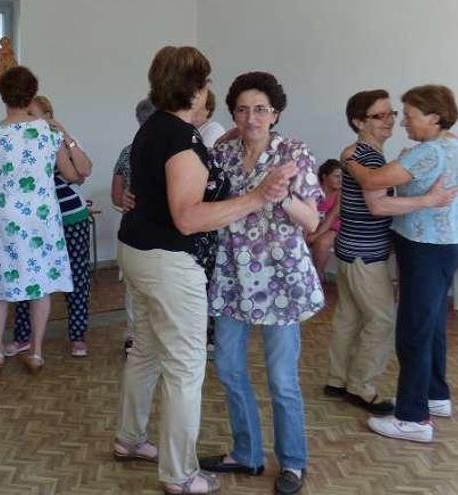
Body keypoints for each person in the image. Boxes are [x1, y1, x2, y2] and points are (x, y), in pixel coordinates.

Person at [114, 48, 294, 495]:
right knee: (185, 368)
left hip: (137, 252)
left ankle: (129, 440)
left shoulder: (157, 127)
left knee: (147, 353)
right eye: (207, 83)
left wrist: (242, 129)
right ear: (196, 88)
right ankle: (179, 474)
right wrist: (257, 198)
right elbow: (188, 218)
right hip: (169, 263)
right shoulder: (181, 139)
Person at [201, 71, 322, 495]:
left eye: (260, 109)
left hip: (281, 280)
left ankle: (292, 462)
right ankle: (247, 453)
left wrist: (281, 195)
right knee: (228, 367)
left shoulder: (293, 152)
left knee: (281, 377)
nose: (251, 117)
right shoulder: (224, 153)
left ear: (275, 113)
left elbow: (312, 220)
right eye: (242, 109)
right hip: (233, 276)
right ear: (232, 113)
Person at [325, 89, 456, 416]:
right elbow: (378, 203)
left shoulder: (363, 153)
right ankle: (361, 388)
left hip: (351, 248)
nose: (391, 121)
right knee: (382, 320)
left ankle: (337, 380)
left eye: (393, 114)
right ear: (358, 121)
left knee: (348, 317)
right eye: (379, 115)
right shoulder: (366, 156)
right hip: (364, 253)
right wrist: (428, 200)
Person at [0, 66, 74, 376]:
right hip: (42, 216)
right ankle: (37, 352)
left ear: (2, 94)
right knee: (41, 284)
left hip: (7, 217)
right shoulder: (49, 132)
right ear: (31, 94)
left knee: (1, 282)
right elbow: (69, 174)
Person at [4, 95, 94, 358]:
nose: (27, 120)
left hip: (70, 218)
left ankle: (77, 336)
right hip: (34, 222)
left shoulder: (57, 140)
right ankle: (23, 337)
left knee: (77, 278)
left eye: (34, 115)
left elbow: (84, 170)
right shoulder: (21, 142)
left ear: (49, 116)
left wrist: (65, 134)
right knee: (27, 278)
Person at [111, 97, 156, 354]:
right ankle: (147, 337)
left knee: (133, 287)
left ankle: (133, 336)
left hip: (131, 230)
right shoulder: (169, 151)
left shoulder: (128, 150)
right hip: (155, 231)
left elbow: (117, 197)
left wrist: (128, 200)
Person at [307, 159, 342, 281]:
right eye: (336, 176)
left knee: (322, 242)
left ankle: (318, 275)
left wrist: (315, 235)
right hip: (314, 224)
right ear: (324, 176)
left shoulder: (341, 194)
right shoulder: (314, 190)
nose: (340, 180)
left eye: (342, 177)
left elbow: (332, 216)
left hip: (335, 226)